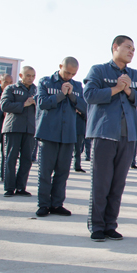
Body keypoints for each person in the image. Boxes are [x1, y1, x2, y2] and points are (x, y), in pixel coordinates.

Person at [84, 35, 137, 241]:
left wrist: (129, 89)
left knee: (118, 183)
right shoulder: (98, 70)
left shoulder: (135, 75)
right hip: (104, 133)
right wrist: (116, 89)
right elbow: (89, 94)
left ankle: (111, 224)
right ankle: (96, 226)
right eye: (128, 47)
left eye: (134, 49)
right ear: (115, 47)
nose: (131, 51)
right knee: (101, 182)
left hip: (128, 135)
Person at [34, 57, 86, 217]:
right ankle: (43, 204)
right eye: (67, 72)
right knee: (45, 172)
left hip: (68, 135)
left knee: (63, 172)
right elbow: (42, 103)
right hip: (48, 133)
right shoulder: (45, 82)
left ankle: (57, 204)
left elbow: (84, 107)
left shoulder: (77, 86)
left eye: (73, 73)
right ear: (60, 67)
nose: (69, 76)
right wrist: (61, 95)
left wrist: (71, 96)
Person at [1, 66, 37, 197]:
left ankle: (21, 187)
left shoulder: (36, 90)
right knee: (11, 158)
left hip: (29, 129)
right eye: (28, 75)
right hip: (13, 128)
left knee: (27, 159)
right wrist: (24, 104)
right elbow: (4, 105)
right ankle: (9, 187)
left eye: (33, 75)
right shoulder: (11, 89)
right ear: (21, 76)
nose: (31, 78)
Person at [0, 74, 13, 180]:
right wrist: (2, 113)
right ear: (0, 81)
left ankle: (4, 175)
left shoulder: (12, 94)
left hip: (8, 127)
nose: (8, 84)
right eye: (6, 82)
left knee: (6, 153)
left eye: (10, 82)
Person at [73, 104, 88, 173]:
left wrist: (80, 112)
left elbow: (87, 116)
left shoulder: (82, 103)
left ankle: (77, 166)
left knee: (78, 149)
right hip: (69, 128)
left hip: (79, 129)